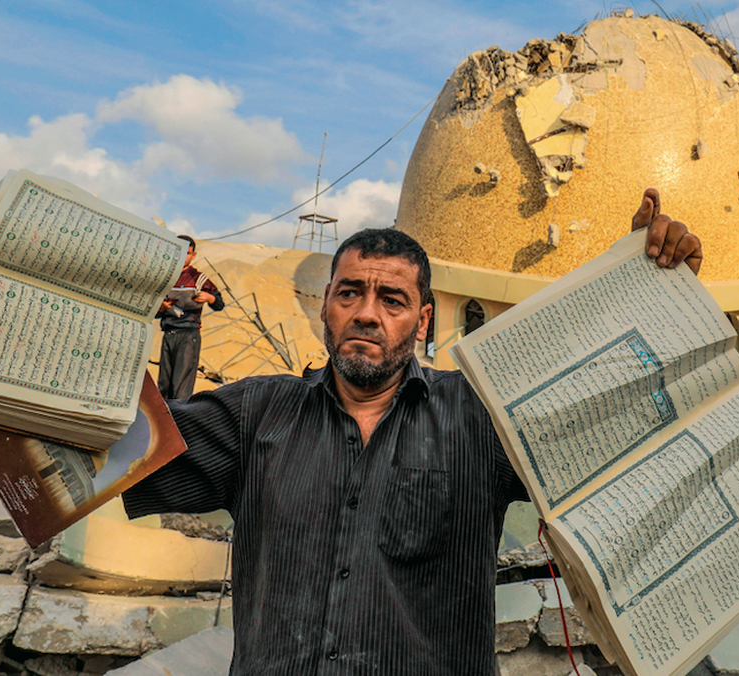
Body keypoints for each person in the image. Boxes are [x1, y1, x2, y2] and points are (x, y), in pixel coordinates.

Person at [123, 189, 702, 674]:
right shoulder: (258, 414)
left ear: (423, 319)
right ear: (327, 304)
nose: (367, 313)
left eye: (392, 299)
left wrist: (646, 291)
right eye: (350, 292)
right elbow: (107, 444)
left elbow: (608, 416)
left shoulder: (481, 419)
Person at [156, 235, 224, 401]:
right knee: (164, 384)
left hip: (188, 335)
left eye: (187, 253)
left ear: (193, 255)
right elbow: (151, 310)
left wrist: (210, 298)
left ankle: (179, 422)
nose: (183, 257)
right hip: (168, 333)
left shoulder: (199, 279)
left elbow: (219, 304)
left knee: (181, 386)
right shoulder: (165, 278)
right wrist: (161, 308)